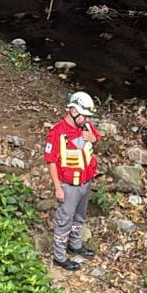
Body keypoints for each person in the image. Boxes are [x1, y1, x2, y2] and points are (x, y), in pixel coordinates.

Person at [44, 91, 101, 272]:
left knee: (79, 217)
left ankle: (75, 246)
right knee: (64, 220)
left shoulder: (86, 126)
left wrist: (94, 138)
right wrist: (58, 188)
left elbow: (97, 139)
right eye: (84, 115)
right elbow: (51, 161)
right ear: (74, 111)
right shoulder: (57, 132)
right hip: (68, 186)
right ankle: (60, 257)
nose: (86, 120)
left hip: (85, 182)